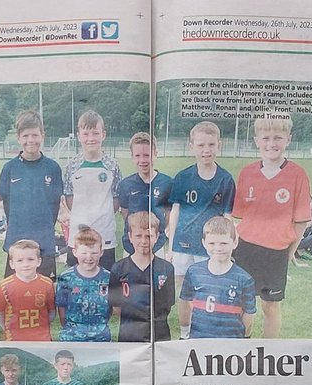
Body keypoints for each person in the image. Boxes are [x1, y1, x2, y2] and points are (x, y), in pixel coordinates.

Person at [231, 114, 312, 338]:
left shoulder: (297, 175)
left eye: (278, 137)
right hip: (246, 249)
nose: (271, 143)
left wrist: (289, 253)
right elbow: (238, 217)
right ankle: (241, 347)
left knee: (270, 306)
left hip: (277, 252)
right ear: (257, 140)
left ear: (289, 139)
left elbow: (301, 221)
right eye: (266, 137)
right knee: (241, 304)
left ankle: (269, 353)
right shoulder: (247, 172)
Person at [167, 122, 236, 338]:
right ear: (192, 147)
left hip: (210, 247)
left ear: (219, 145)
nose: (206, 150)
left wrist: (227, 248)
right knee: (185, 292)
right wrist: (170, 247)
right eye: (201, 145)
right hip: (182, 243)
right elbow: (176, 212)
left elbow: (227, 217)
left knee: (209, 290)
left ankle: (207, 330)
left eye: (211, 144)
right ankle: (185, 333)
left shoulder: (225, 179)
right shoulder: (182, 177)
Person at [0, 110, 64, 279]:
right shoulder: (9, 168)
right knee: (13, 294)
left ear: (43, 135)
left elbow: (55, 205)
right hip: (17, 242)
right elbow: (6, 203)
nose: (30, 140)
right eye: (25, 136)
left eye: (35, 135)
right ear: (19, 138)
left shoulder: (53, 168)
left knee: (45, 293)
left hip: (44, 243)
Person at [180, 216, 257, 339]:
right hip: (199, 340)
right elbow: (187, 301)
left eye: (224, 243)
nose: (218, 248)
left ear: (235, 243)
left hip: (230, 343)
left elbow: (248, 314)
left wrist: (244, 340)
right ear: (204, 243)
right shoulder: (194, 272)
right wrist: (184, 333)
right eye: (212, 243)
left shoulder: (244, 279)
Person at [62, 110, 121, 271]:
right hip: (78, 235)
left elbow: (116, 201)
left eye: (95, 133)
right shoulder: (72, 166)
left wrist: (100, 215)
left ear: (103, 134)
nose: (91, 138)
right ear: (79, 136)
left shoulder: (112, 165)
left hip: (105, 234)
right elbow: (69, 199)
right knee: (76, 281)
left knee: (106, 282)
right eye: (86, 133)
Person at [109, 211, 175, 341]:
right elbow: (116, 308)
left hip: (159, 334)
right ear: (130, 237)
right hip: (129, 334)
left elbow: (168, 304)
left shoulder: (166, 269)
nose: (144, 241)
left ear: (156, 237)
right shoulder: (119, 269)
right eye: (138, 236)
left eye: (149, 236)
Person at [118, 131, 171, 261]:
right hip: (132, 245)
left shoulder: (167, 182)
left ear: (156, 154)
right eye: (138, 155)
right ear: (132, 157)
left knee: (157, 280)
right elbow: (125, 212)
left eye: (147, 155)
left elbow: (168, 213)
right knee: (130, 280)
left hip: (156, 244)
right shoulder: (126, 184)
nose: (142, 160)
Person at [56, 226, 112, 341]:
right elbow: (61, 308)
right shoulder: (66, 278)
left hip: (101, 337)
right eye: (84, 253)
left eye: (94, 253)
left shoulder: (108, 278)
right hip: (71, 336)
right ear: (74, 252)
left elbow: (111, 307)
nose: (89, 257)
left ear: (101, 252)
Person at [0, 239, 55, 341]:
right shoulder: (5, 285)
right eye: (20, 260)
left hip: (41, 338)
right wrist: (7, 329)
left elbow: (51, 311)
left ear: (39, 261)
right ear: (12, 264)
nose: (26, 264)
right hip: (15, 338)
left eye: (30, 259)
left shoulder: (47, 283)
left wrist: (43, 327)